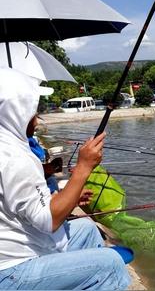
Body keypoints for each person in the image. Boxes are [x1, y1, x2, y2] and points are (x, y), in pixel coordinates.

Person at [0, 68, 131, 289]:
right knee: (109, 264)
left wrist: (68, 199)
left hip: (21, 248)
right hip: (11, 271)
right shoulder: (14, 158)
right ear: (17, 110)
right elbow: (48, 221)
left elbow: (24, 205)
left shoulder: (9, 146)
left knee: (87, 229)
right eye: (34, 109)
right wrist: (83, 167)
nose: (38, 118)